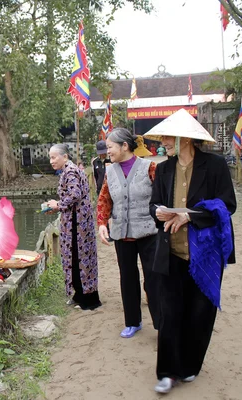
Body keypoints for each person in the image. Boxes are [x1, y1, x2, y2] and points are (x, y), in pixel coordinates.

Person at [144, 109, 236, 394]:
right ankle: (168, 372)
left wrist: (190, 216)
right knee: (170, 313)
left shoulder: (216, 165)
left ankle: (190, 366)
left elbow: (227, 205)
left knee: (200, 313)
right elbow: (154, 203)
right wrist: (158, 212)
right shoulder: (163, 168)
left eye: (167, 137)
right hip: (170, 251)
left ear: (185, 139)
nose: (163, 142)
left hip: (205, 254)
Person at [96, 128, 159, 338]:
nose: (108, 151)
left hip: (149, 233)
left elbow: (162, 196)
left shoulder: (149, 167)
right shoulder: (110, 171)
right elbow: (104, 199)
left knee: (153, 279)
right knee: (127, 278)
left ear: (125, 146)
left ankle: (161, 323)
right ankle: (133, 321)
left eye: (110, 147)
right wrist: (102, 223)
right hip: (122, 234)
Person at [46, 144, 101, 311]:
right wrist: (56, 207)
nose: (51, 161)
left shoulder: (70, 171)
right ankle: (79, 294)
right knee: (74, 257)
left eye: (54, 157)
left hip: (78, 224)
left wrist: (58, 204)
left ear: (65, 156)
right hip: (74, 220)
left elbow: (74, 195)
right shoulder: (68, 170)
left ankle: (88, 299)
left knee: (80, 258)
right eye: (50, 157)